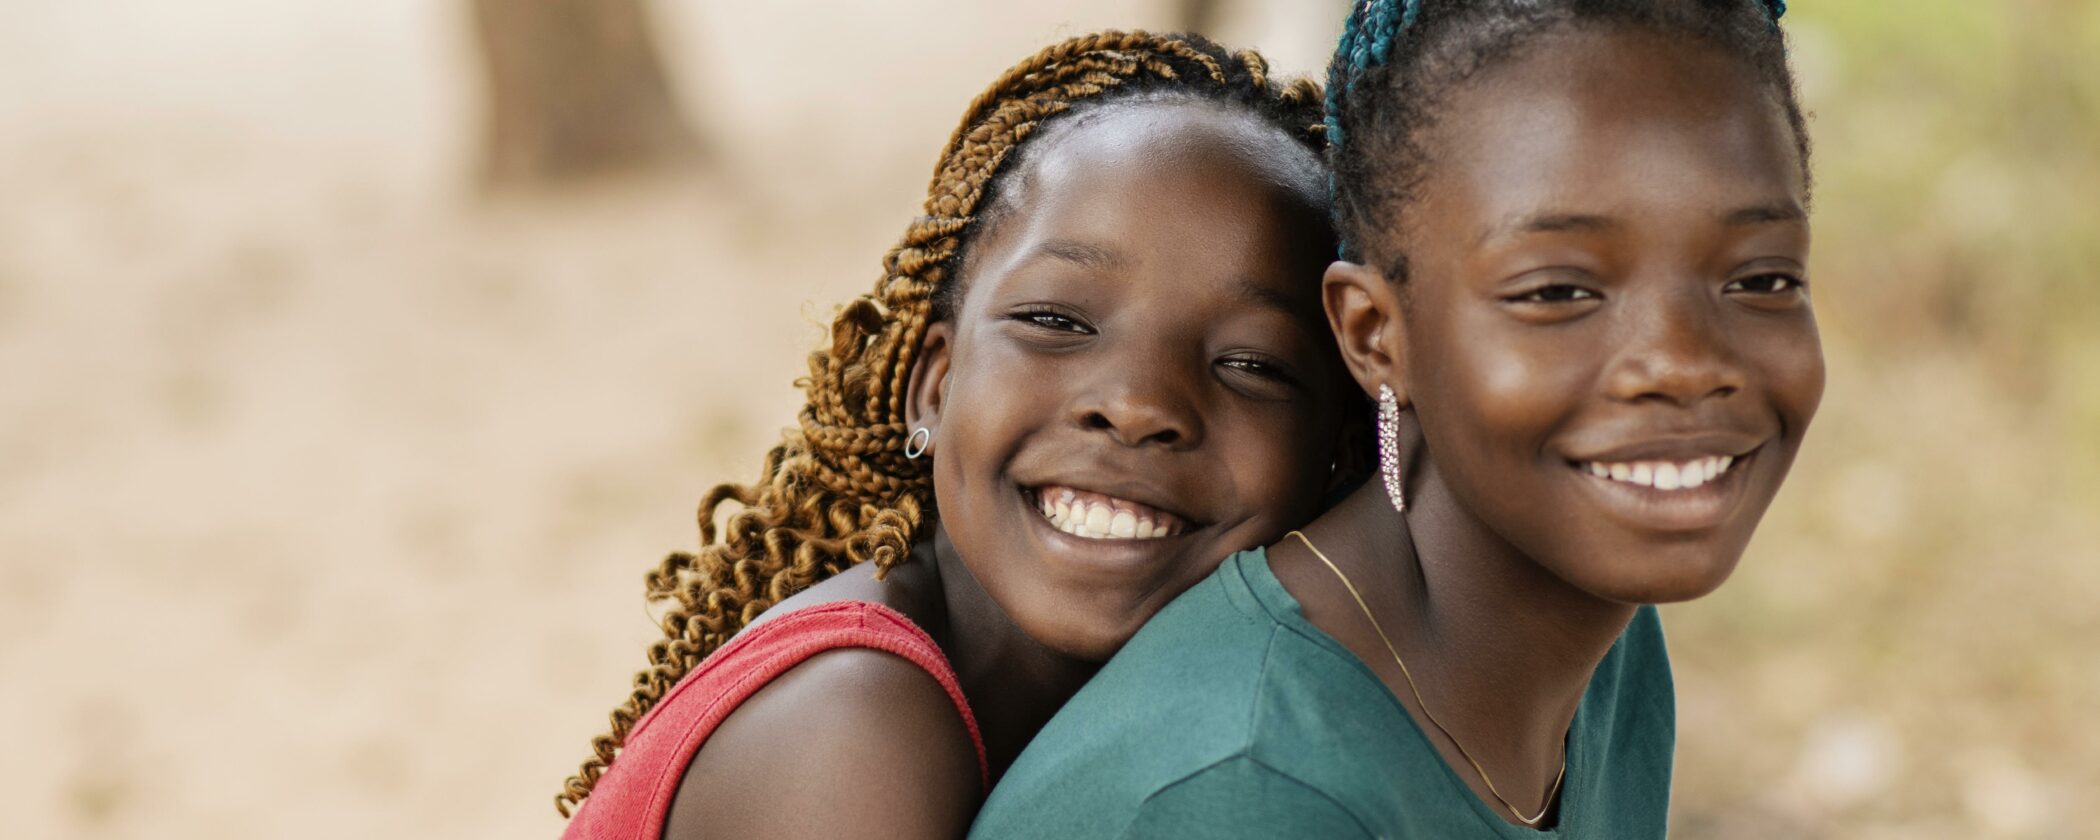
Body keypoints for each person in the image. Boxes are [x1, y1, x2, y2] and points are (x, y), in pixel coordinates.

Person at [971, 1, 1820, 837]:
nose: (1682, 364)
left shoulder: (1609, 642)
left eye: (1761, 279)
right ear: (1377, 336)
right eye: (1559, 291)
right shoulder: (1235, 795)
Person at [553, 31, 1361, 840]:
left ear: (1338, 451)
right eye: (1056, 321)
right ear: (933, 387)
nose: (1137, 403)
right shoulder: (853, 731)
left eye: (1252, 364)